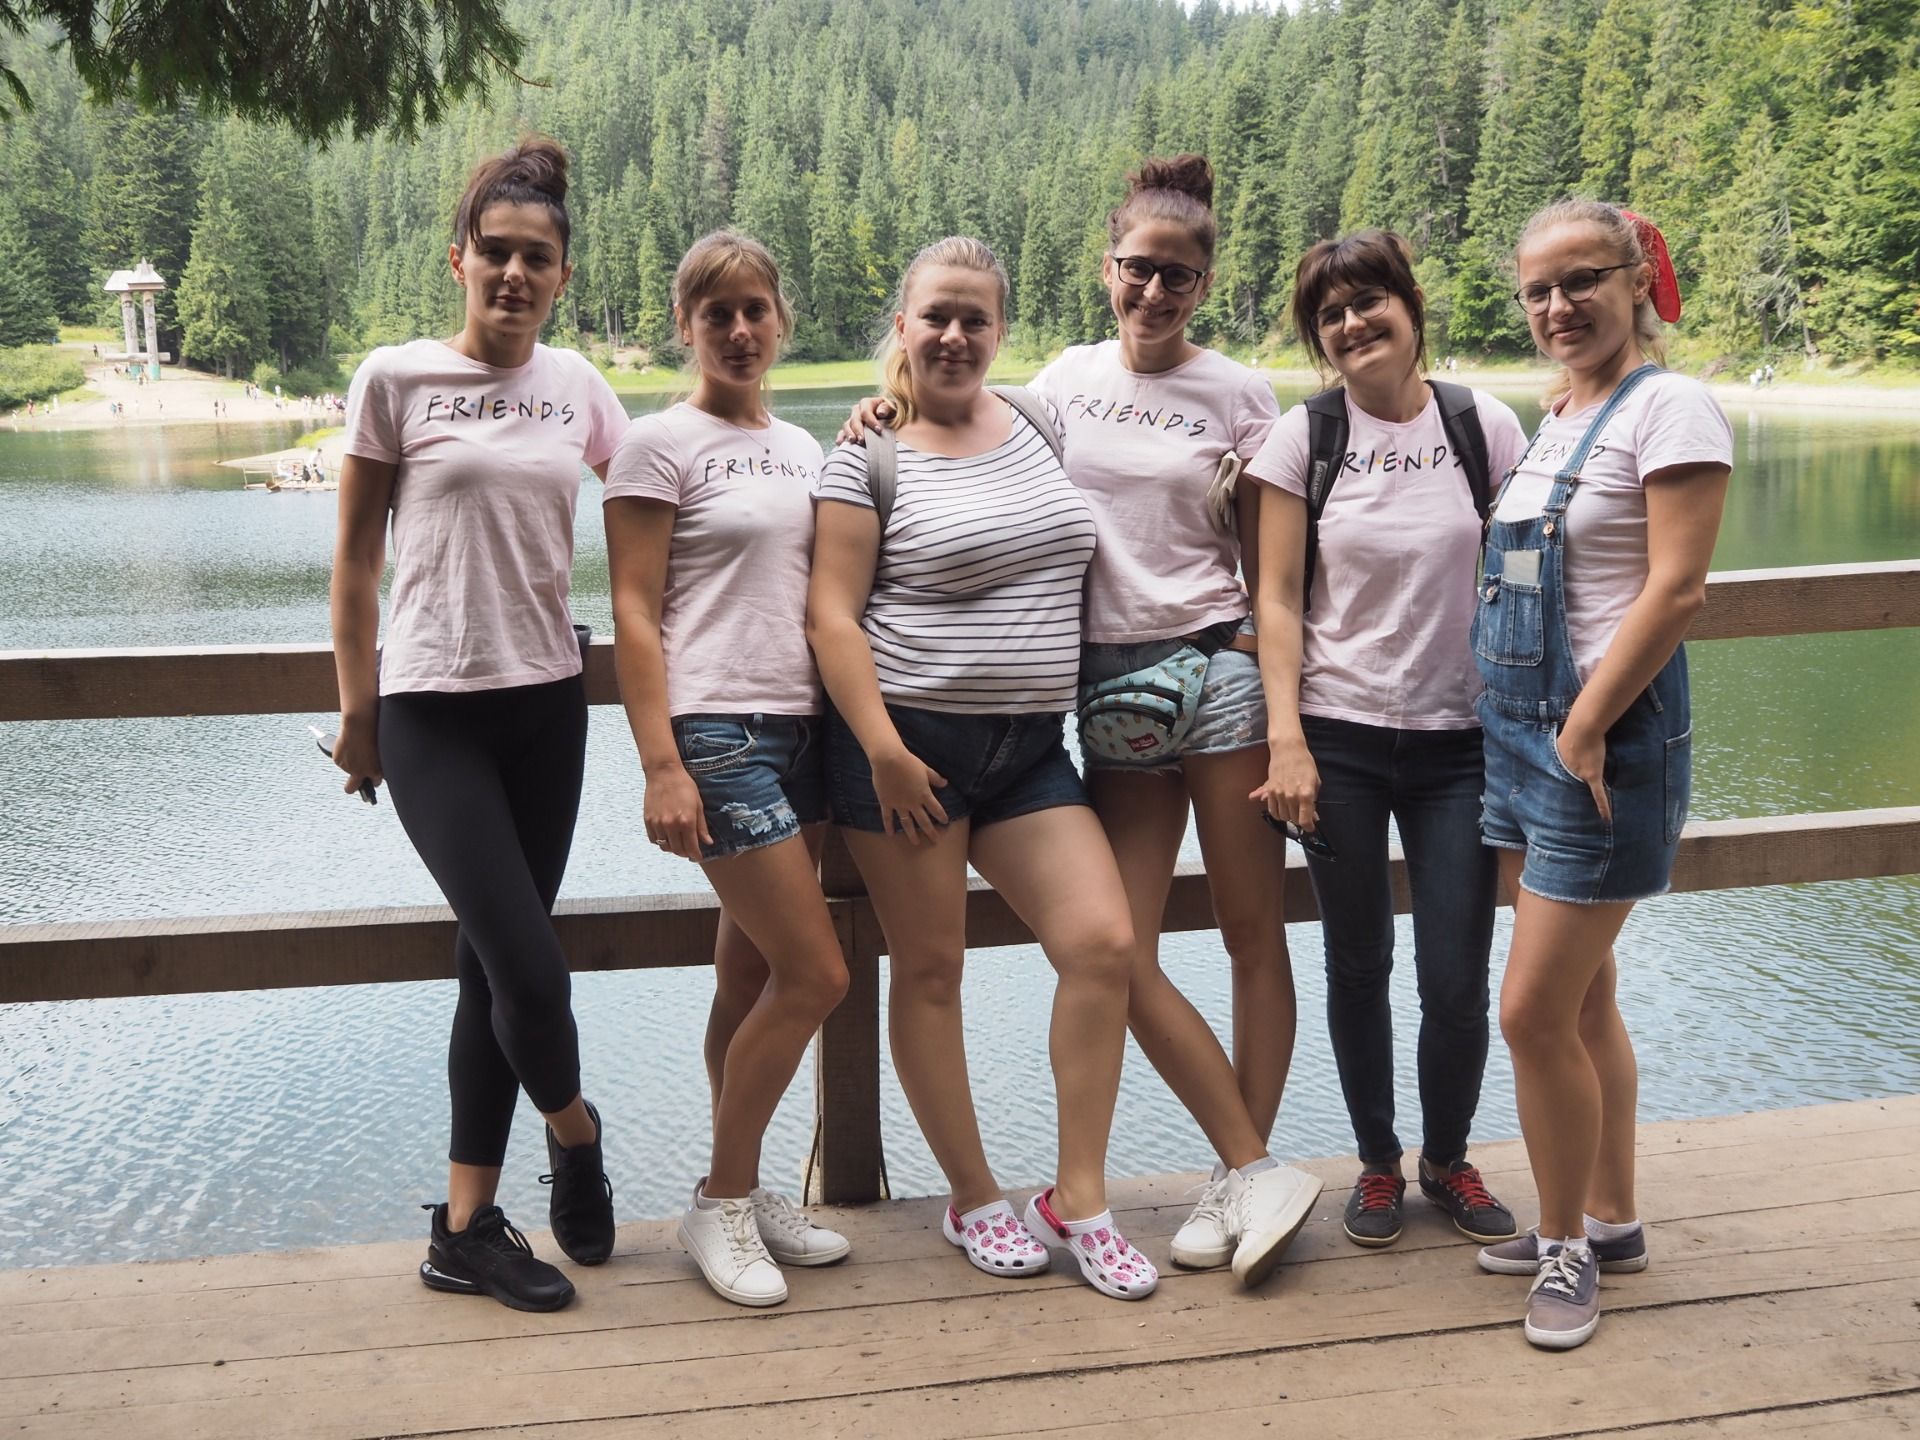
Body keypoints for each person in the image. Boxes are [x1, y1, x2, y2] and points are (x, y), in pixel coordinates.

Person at [839, 160, 1324, 1289]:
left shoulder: (1243, 394)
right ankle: (1229, 1167)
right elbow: (954, 434)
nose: (1155, 290)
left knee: (1253, 935)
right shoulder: (1058, 383)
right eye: (1139, 269)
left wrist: (1278, 685)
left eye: (1180, 275)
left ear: (1205, 283)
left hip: (1221, 677)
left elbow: (1278, 563)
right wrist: (885, 404)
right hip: (1104, 696)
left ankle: (1233, 1180)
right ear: (1106, 270)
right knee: (1119, 946)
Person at [808, 236, 1155, 1301]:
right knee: (932, 970)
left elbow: (1164, 445)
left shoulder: (1044, 422)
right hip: (906, 750)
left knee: (1101, 945)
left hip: (1027, 749)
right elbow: (830, 611)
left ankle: (1080, 1198)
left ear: (1002, 330)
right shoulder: (864, 454)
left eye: (976, 318)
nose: (955, 335)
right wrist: (883, 753)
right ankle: (973, 1196)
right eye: (935, 316)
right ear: (903, 326)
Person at [328, 137, 630, 1314]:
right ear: (458, 260)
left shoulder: (582, 387)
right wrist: (358, 710)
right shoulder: (394, 380)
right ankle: (578, 1127)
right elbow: (354, 563)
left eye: (536, 258)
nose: (513, 272)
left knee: (486, 975)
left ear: (560, 275)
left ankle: (464, 1231)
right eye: (495, 252)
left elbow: (673, 489)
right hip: (430, 714)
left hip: (549, 706)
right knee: (532, 970)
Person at [1469, 199, 1730, 1351]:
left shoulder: (1672, 406)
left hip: (1602, 746)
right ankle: (1612, 1217)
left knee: (1528, 1012)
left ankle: (1568, 1245)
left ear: (1636, 280)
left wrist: (1581, 728)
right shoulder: (1567, 414)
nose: (1559, 306)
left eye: (1582, 280)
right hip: (1524, 742)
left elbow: (1675, 590)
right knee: (1584, 999)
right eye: (1539, 290)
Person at [1246, 230, 1528, 1253]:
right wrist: (1287, 740)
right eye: (1332, 314)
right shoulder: (1304, 438)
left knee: (1456, 973)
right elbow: (1275, 600)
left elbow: (1529, 571)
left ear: (1411, 307)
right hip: (1339, 739)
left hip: (1464, 744)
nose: (1355, 323)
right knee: (1358, 965)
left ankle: (1448, 1160)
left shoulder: (1480, 423)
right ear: (1320, 341)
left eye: (1370, 301)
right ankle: (1377, 1161)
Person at [604, 231, 852, 1307]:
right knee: (819, 976)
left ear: (780, 318)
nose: (741, 331)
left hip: (803, 735)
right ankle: (721, 1198)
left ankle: (743, 1195)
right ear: (686, 327)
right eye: (718, 315)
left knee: (748, 977)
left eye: (756, 310)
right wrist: (660, 763)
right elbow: (632, 611)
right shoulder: (658, 446)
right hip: (718, 737)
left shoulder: (806, 449)